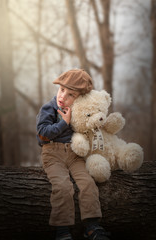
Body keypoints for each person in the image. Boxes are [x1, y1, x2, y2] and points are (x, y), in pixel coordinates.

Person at [36, 69, 110, 240]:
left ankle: (91, 226)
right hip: (52, 153)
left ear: (79, 98)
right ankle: (62, 230)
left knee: (88, 183)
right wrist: (64, 123)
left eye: (71, 94)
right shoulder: (49, 108)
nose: (63, 97)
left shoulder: (79, 110)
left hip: (74, 154)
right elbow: (42, 133)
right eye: (62, 90)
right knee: (63, 186)